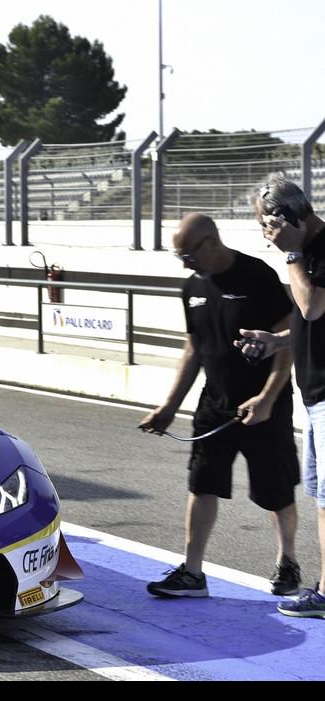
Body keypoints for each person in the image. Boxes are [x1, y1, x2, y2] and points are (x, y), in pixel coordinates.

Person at [139, 213, 300, 599]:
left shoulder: (256, 276)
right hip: (215, 403)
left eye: (188, 255)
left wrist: (267, 398)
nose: (184, 264)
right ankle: (193, 572)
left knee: (277, 491)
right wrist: (168, 407)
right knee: (202, 484)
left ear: (211, 241)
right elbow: (193, 349)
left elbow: (288, 339)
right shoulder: (192, 286)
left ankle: (288, 561)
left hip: (264, 404)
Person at [236, 175, 325, 618]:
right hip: (314, 396)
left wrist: (291, 252)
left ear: (288, 217)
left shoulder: (318, 250)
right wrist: (278, 342)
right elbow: (312, 323)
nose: (265, 236)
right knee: (319, 494)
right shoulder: (309, 253)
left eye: (267, 225)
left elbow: (311, 306)